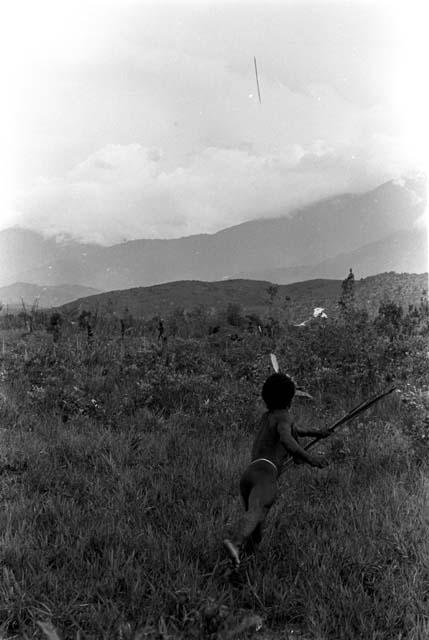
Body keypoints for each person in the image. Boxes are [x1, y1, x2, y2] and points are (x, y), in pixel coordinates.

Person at [223, 372, 330, 567]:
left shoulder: (268, 417)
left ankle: (241, 563)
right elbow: (287, 439)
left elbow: (294, 431)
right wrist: (310, 459)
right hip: (266, 473)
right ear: (289, 399)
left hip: (250, 474)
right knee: (256, 512)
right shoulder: (285, 417)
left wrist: (318, 433)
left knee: (257, 522)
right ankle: (234, 542)